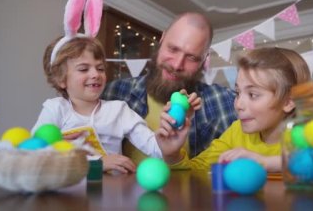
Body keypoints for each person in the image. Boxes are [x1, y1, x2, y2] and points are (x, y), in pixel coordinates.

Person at [32, 36, 200, 174]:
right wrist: (96, 164)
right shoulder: (55, 109)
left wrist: (172, 131)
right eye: (84, 69)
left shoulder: (118, 110)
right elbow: (35, 157)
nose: (95, 74)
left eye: (100, 68)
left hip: (114, 196)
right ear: (61, 79)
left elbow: (154, 147)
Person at [101, 12, 237, 162]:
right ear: (162, 38)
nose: (177, 64)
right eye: (173, 49)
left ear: (204, 59)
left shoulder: (226, 102)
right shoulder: (113, 93)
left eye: (191, 57)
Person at [156, 47, 311, 172]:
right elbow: (196, 172)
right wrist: (172, 155)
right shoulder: (236, 131)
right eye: (238, 93)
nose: (238, 104)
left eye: (253, 94)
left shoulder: (308, 132)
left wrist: (265, 162)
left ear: (288, 101)